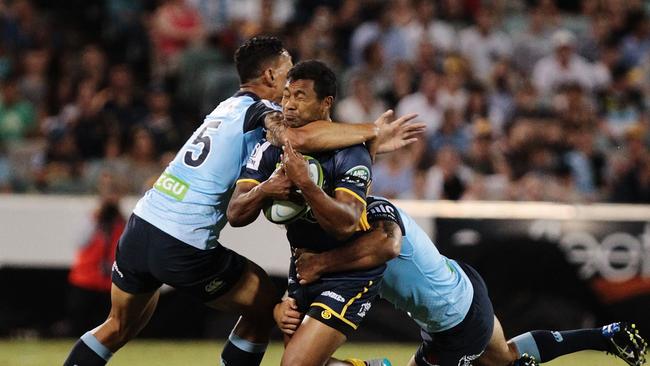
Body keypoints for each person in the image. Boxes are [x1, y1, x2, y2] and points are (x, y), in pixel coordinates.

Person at [63, 36, 421, 366]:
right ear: (270, 74)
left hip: (141, 227)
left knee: (116, 325)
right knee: (266, 307)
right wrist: (372, 132)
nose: (292, 80)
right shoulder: (258, 109)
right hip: (181, 239)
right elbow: (295, 137)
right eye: (288, 69)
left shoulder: (226, 108)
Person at [280, 197, 648, 366]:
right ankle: (604, 335)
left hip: (454, 319)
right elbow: (306, 274)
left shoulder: (371, 220)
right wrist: (286, 301)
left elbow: (386, 246)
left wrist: (321, 266)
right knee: (503, 356)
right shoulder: (333, 230)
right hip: (462, 290)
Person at [227, 60, 386, 366]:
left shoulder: (351, 151)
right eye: (286, 95)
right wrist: (265, 189)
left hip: (349, 271)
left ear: (326, 103)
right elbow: (235, 213)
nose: (288, 105)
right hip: (302, 267)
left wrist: (305, 184)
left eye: (300, 96)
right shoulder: (272, 146)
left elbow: (346, 223)